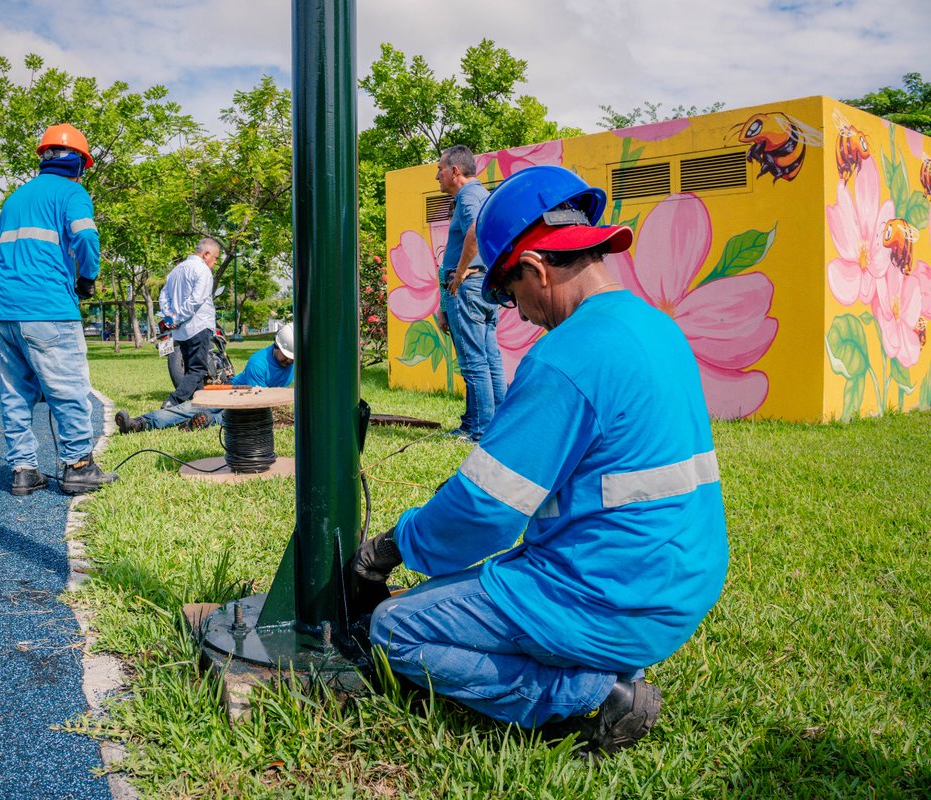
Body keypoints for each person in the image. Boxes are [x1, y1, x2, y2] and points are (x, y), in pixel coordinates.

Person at [351, 165, 729, 757]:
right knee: (461, 593)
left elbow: (484, 509)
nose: (517, 314)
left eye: (508, 295)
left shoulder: (568, 355)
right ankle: (595, 667)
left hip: (608, 596)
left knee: (395, 630)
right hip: (678, 582)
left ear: (535, 269)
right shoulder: (657, 328)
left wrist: (391, 547)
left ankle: (591, 692)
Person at [0, 123, 117, 497]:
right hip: (48, 308)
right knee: (69, 390)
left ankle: (24, 471)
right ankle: (78, 467)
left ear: (44, 157)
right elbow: (86, 237)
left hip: (6, 310)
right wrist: (87, 278)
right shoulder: (72, 193)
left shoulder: (14, 198)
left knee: (15, 394)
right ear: (78, 161)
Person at [436, 145, 507, 443]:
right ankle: (496, 423)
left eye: (439, 169)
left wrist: (462, 271)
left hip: (468, 288)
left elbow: (475, 230)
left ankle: (478, 429)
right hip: (483, 288)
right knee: (489, 357)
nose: (436, 176)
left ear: (454, 171)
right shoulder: (482, 195)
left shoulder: (467, 196)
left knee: (473, 361)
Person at [114, 323, 295, 433]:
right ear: (276, 346)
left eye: (292, 358)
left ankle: (202, 422)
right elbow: (260, 402)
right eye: (286, 356)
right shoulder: (259, 362)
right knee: (187, 408)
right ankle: (140, 423)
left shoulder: (294, 361)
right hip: (233, 393)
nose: (289, 361)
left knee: (230, 417)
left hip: (248, 404)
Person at [158, 238, 219, 408]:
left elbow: (163, 297)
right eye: (215, 258)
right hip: (198, 326)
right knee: (198, 369)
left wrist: (170, 317)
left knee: (190, 369)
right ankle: (173, 401)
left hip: (181, 331)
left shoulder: (175, 271)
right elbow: (196, 300)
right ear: (206, 254)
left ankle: (198, 404)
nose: (214, 262)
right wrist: (176, 318)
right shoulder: (203, 270)